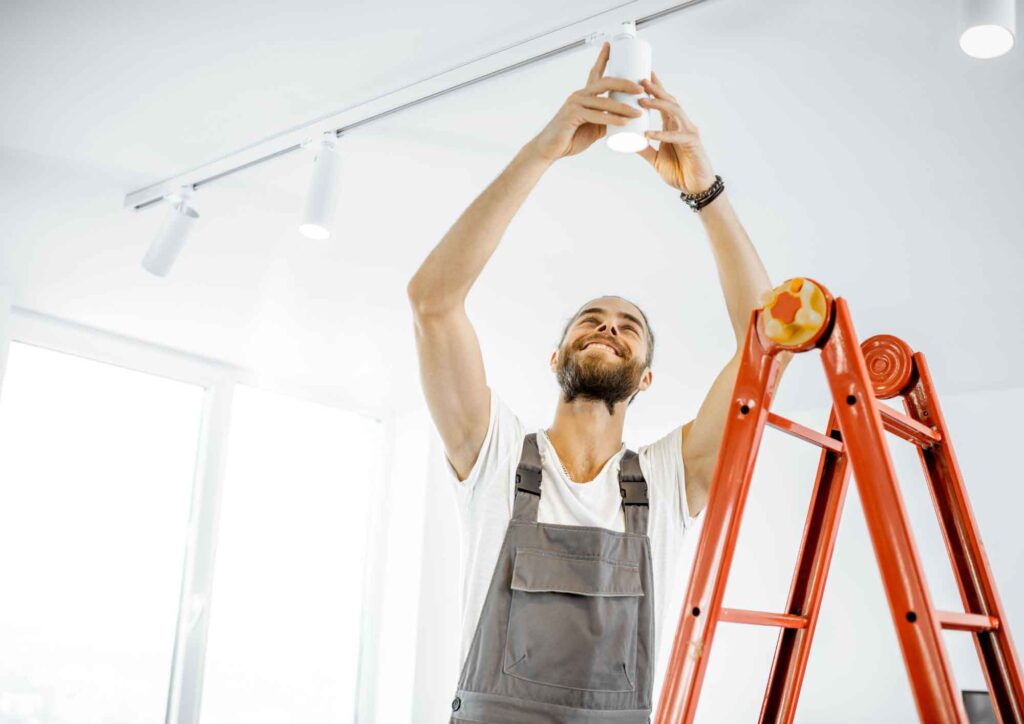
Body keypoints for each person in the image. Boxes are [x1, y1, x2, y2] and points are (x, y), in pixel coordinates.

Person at [407, 40, 784, 723]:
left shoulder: (669, 480)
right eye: (590, 319)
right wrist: (545, 149)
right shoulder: (492, 455)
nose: (608, 327)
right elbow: (433, 301)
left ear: (643, 378)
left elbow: (769, 342)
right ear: (557, 359)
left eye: (627, 325)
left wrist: (704, 188)